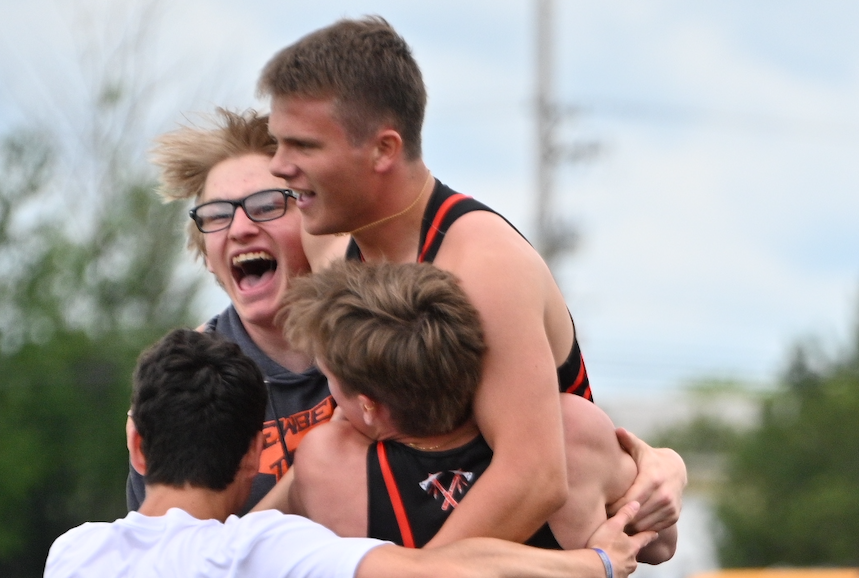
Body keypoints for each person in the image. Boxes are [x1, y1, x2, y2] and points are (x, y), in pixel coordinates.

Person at [260, 15, 685, 549]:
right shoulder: (330, 244)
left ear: (384, 150)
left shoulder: (484, 265)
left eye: (302, 146)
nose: (277, 166)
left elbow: (534, 479)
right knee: (326, 453)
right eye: (276, 143)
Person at [43, 328, 656, 578]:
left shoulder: (70, 560)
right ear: (256, 455)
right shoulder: (264, 556)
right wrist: (597, 567)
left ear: (136, 444)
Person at [279, 261, 677, 578]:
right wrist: (663, 466)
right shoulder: (571, 433)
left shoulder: (331, 465)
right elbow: (662, 543)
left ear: (367, 405)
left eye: (330, 381)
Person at [125, 109, 349, 512]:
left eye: (266, 205)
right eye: (217, 215)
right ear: (207, 256)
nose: (240, 228)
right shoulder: (188, 385)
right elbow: (178, 560)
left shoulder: (385, 334)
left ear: (318, 223)